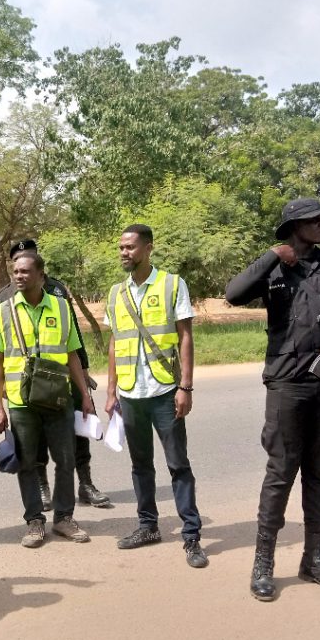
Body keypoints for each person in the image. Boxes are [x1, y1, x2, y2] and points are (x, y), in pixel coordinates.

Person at [225, 198, 320, 601]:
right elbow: (234, 294)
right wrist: (274, 254)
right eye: (315, 219)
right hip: (286, 384)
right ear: (294, 225)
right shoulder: (276, 264)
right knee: (280, 473)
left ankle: (315, 560)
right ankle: (263, 564)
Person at [104, 224, 207, 569]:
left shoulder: (172, 284)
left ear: (148, 248)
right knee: (140, 465)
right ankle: (148, 526)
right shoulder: (116, 293)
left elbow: (185, 337)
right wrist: (111, 390)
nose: (124, 253)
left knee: (178, 465)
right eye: (121, 248)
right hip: (131, 392)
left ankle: (191, 535)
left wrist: (186, 387)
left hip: (165, 390)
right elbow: (115, 343)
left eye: (130, 247)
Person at [0, 250, 96, 548]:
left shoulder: (61, 308)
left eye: (25, 271)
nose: (19, 276)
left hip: (58, 399)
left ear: (41, 276)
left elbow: (72, 353)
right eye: (15, 271)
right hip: (22, 404)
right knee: (28, 462)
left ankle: (64, 518)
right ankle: (34, 521)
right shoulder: (5, 310)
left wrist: (85, 396)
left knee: (65, 459)